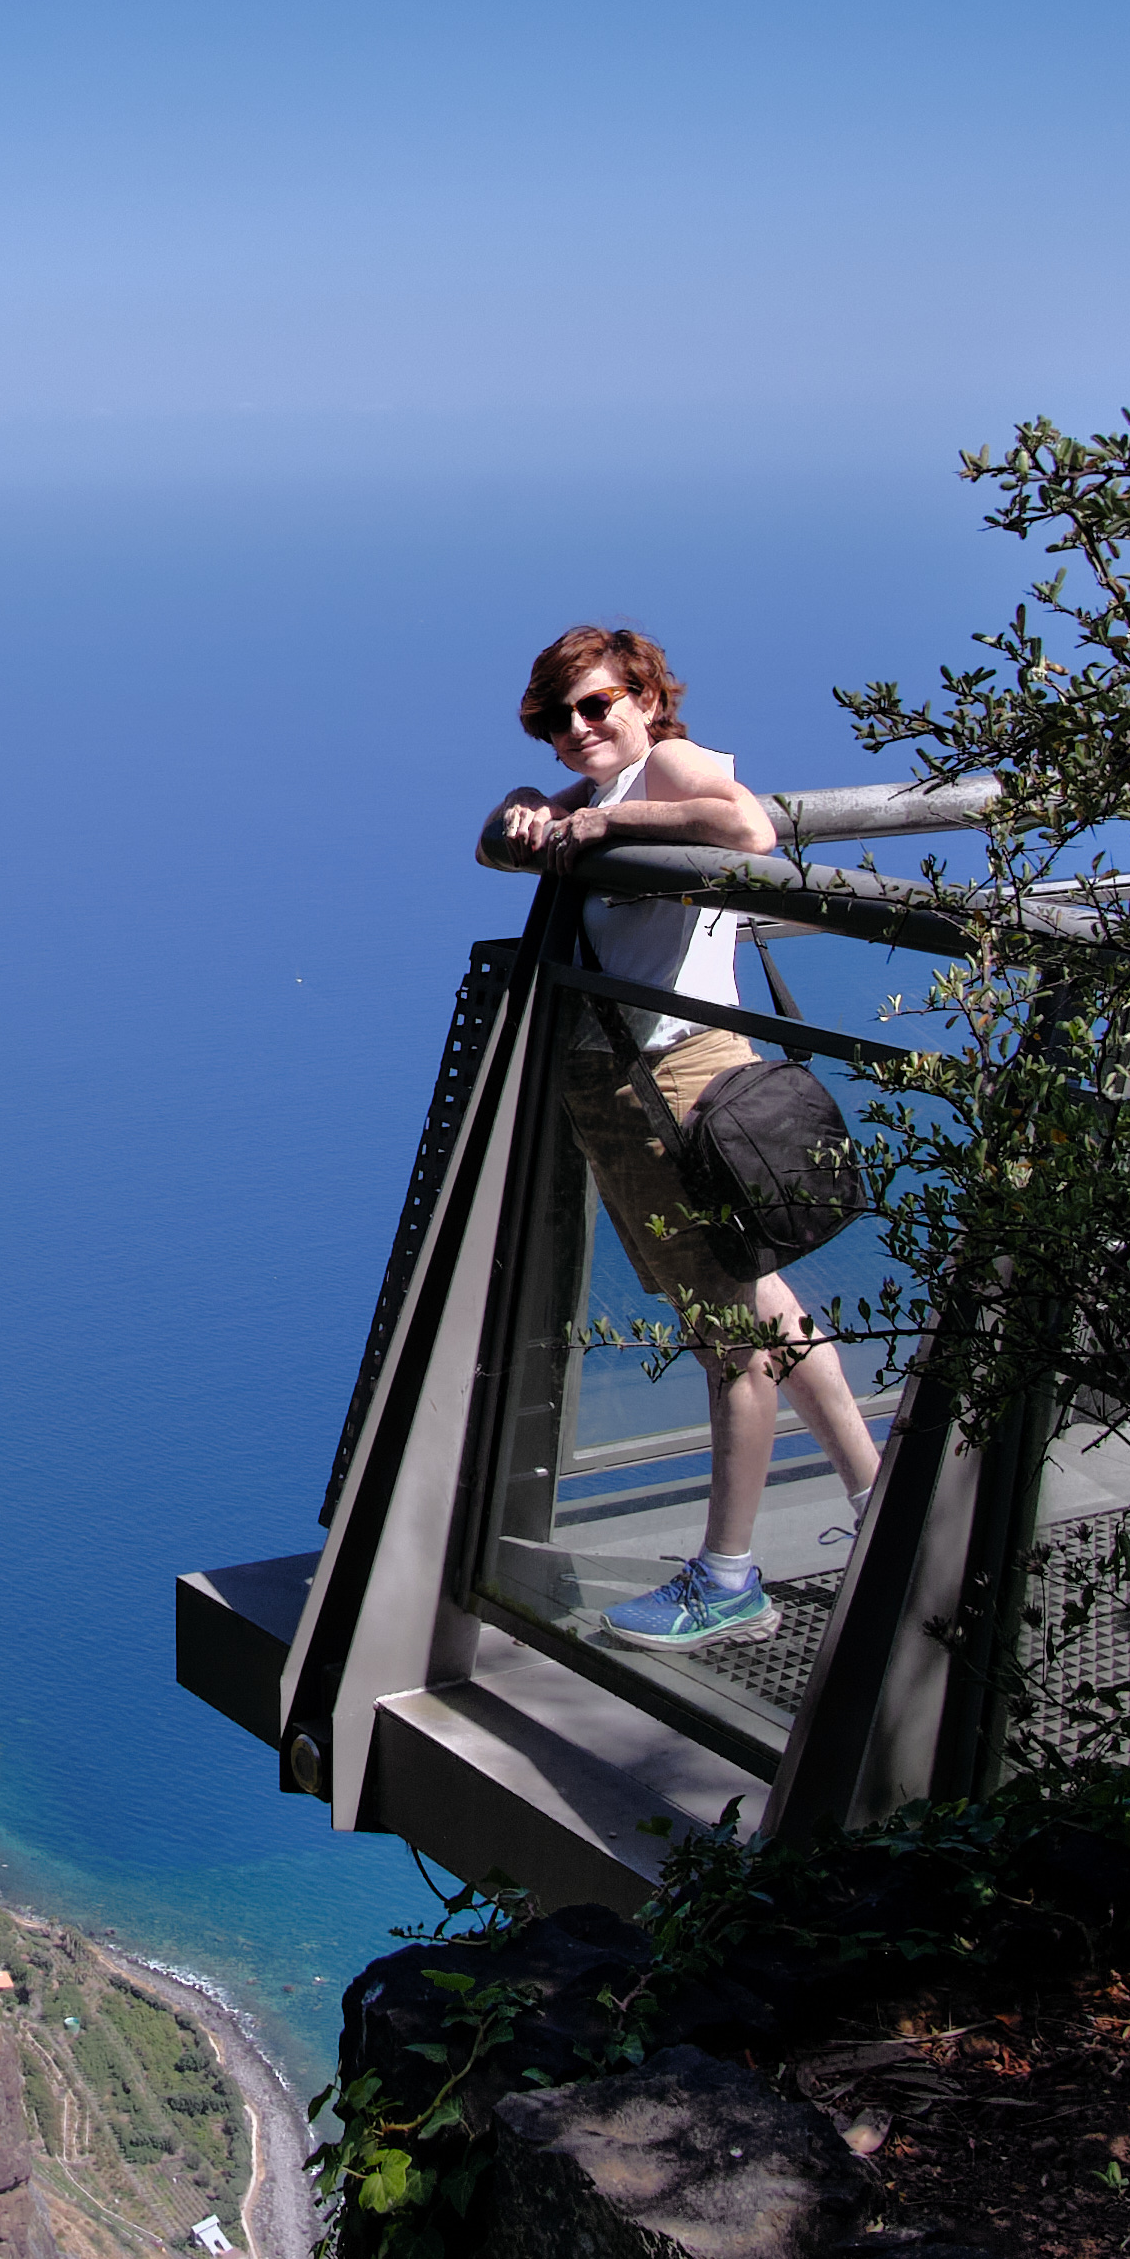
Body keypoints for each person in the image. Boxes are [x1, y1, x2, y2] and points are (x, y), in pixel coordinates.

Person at [476, 624, 883, 1650]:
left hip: (675, 1080)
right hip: (630, 1086)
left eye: (595, 705)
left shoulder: (660, 767)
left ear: (644, 702)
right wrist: (535, 816)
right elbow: (489, 843)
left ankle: (729, 1577)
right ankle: (876, 1499)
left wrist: (604, 831)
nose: (575, 728)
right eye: (553, 715)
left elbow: (747, 830)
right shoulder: (596, 794)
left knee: (727, 1338)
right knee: (762, 1306)